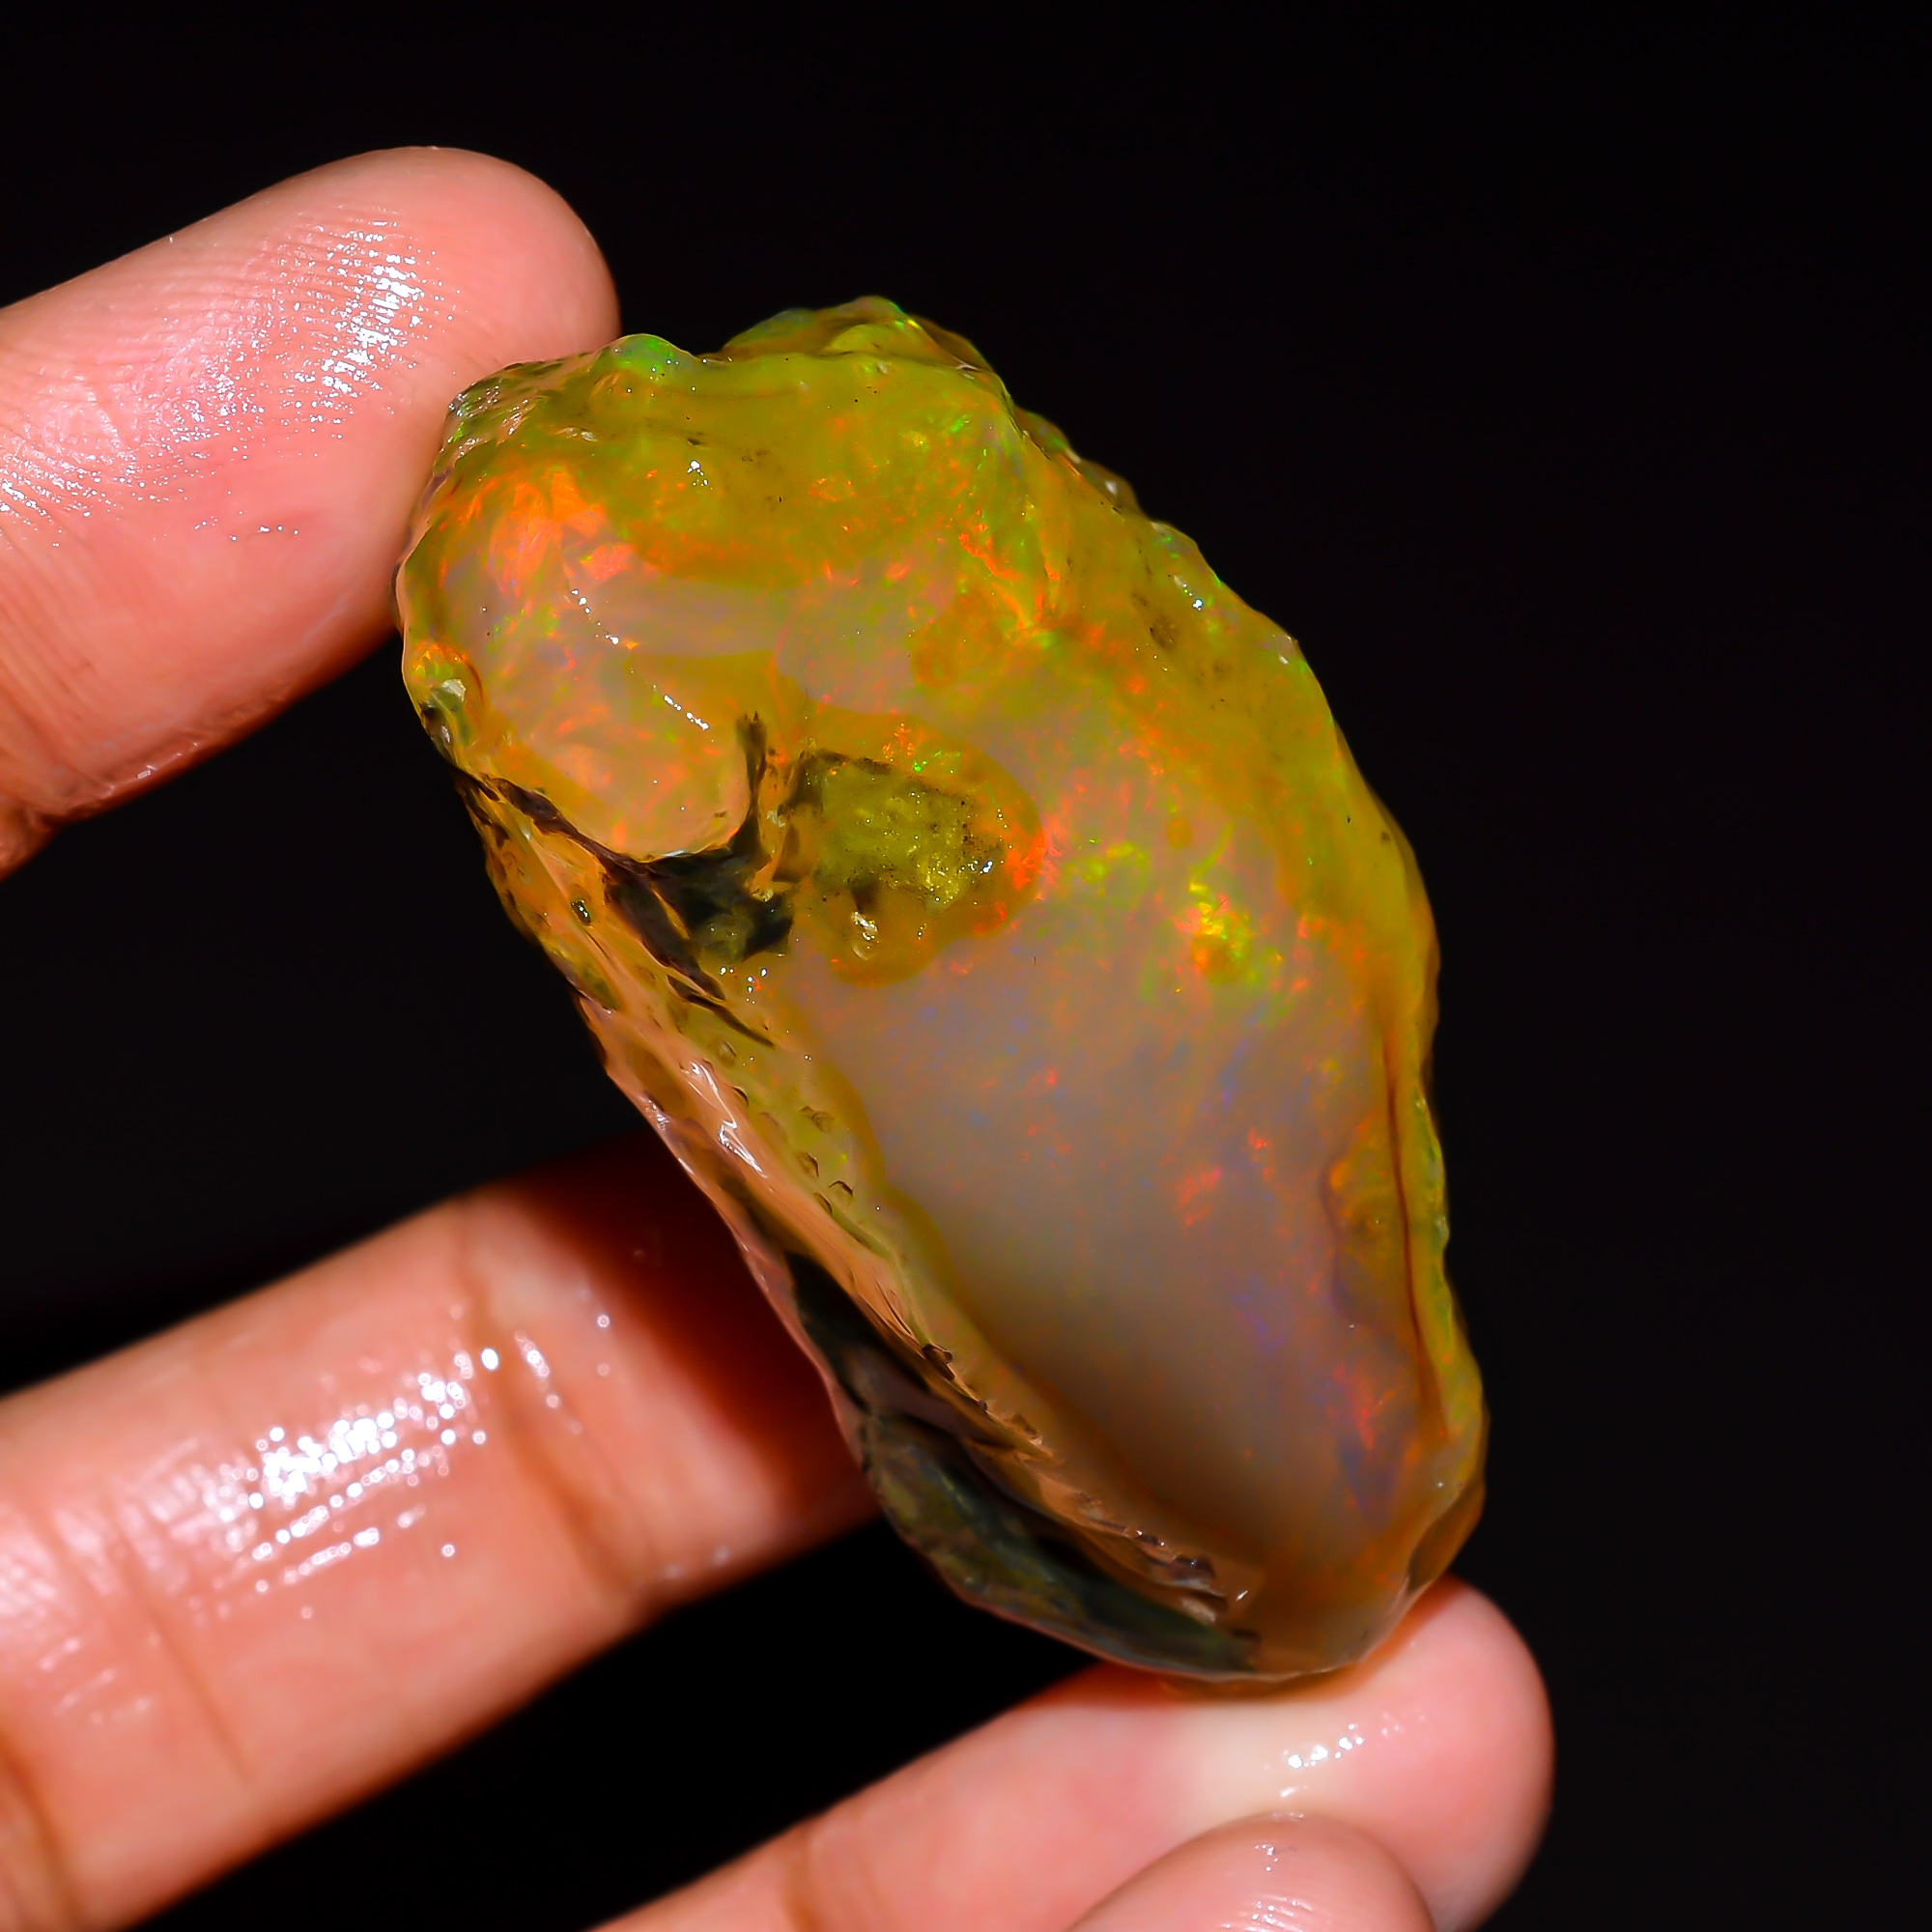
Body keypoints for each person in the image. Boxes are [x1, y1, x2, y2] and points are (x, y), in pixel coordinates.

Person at [0, 149, 1550, 1931]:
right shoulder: (650, 619)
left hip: (1224, 1415)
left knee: (1297, 1508)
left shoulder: (790, 583)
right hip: (1195, 1440)